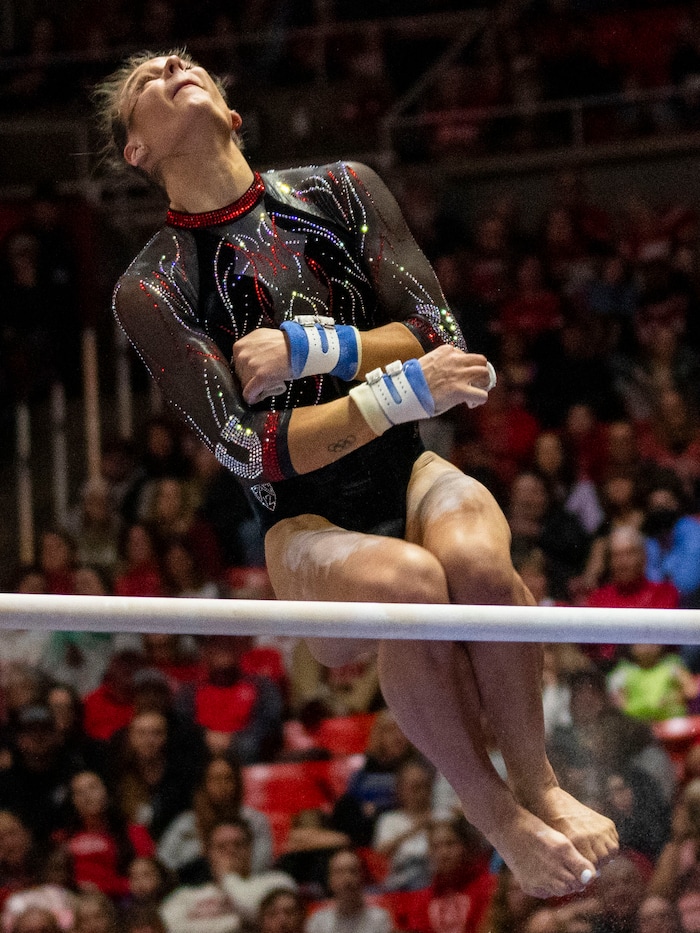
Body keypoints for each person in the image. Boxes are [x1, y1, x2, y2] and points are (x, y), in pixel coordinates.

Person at [96, 49, 618, 899]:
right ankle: (501, 819)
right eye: (145, 82)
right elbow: (250, 449)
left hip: (406, 471)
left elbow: (439, 331)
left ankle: (541, 781)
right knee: (410, 582)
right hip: (302, 527)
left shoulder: (341, 188)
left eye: (186, 64)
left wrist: (308, 347)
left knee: (481, 563)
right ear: (136, 153)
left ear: (232, 115)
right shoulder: (150, 286)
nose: (171, 63)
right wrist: (397, 391)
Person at [304, 848, 391, 933]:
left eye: (353, 871)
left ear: (362, 878)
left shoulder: (380, 919)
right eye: (340, 872)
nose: (347, 878)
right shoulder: (318, 921)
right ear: (330, 880)